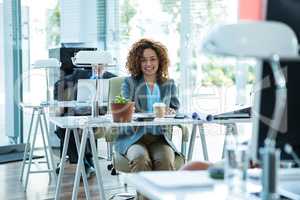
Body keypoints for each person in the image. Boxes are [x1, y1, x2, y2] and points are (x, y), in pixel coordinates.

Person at [115, 38, 180, 175]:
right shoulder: (129, 83)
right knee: (140, 159)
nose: (148, 64)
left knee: (165, 160)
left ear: (159, 60)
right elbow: (125, 107)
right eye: (143, 60)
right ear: (137, 62)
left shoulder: (169, 84)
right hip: (133, 138)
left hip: (159, 137)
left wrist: (172, 111)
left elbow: (176, 110)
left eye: (152, 59)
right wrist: (128, 109)